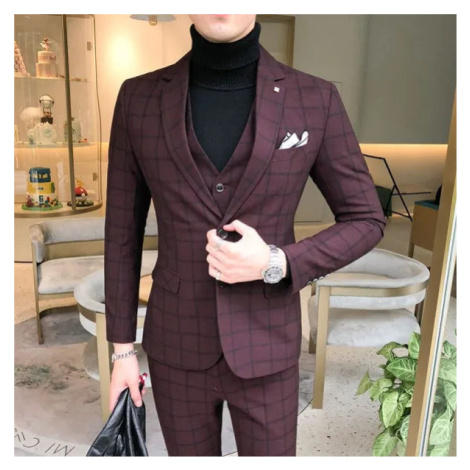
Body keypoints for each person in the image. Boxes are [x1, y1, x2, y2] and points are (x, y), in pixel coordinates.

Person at [104, 14, 386, 457]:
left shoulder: (315, 98)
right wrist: (122, 350)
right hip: (177, 342)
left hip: (268, 341)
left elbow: (366, 218)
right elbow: (122, 233)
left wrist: (279, 262)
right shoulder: (138, 98)